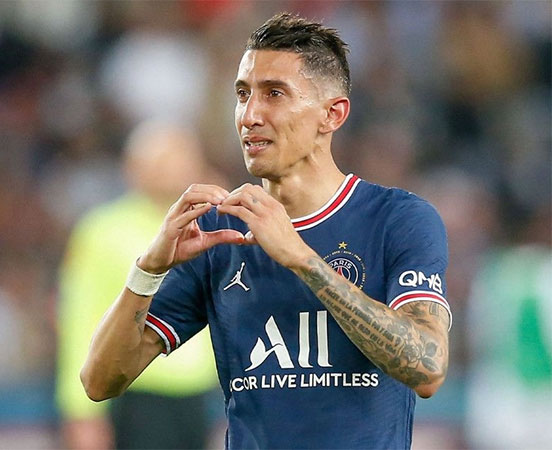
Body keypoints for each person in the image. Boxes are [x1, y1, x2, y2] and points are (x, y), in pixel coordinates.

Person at [81, 12, 451, 449]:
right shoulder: (219, 232)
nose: (250, 115)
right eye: (243, 94)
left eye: (274, 94)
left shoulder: (397, 219)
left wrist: (303, 260)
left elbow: (427, 368)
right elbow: (99, 381)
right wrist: (148, 269)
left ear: (332, 114)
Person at [57, 121, 221, 449]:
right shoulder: (102, 230)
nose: (172, 169)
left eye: (179, 158)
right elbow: (79, 318)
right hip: (134, 390)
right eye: (160, 161)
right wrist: (82, 410)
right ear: (132, 168)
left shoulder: (212, 226)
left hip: (202, 396)